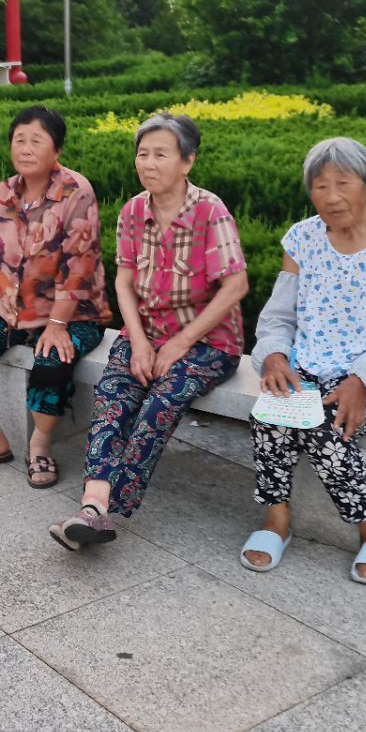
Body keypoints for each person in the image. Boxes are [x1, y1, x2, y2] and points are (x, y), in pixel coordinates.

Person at [51, 113, 249, 549]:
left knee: (161, 401)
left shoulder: (208, 210)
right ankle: (93, 507)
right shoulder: (133, 211)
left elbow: (236, 285)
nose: (148, 163)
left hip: (208, 341)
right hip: (146, 331)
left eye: (161, 154)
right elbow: (123, 281)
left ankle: (107, 505)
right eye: (143, 153)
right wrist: (138, 341)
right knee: (113, 398)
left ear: (187, 162)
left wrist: (181, 342)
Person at [241, 137, 366, 585]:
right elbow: (280, 315)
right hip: (307, 364)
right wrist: (273, 354)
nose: (330, 196)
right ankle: (276, 520)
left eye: (342, 183)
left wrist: (362, 381)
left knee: (324, 426)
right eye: (320, 186)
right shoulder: (302, 239)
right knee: (270, 415)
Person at [0, 106, 111, 487]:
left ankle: (40, 446)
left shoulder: (75, 191)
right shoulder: (2, 194)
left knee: (51, 359)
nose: (26, 148)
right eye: (19, 140)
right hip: (11, 311)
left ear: (56, 150)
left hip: (74, 313)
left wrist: (59, 324)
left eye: (37, 140)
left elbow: (81, 263)